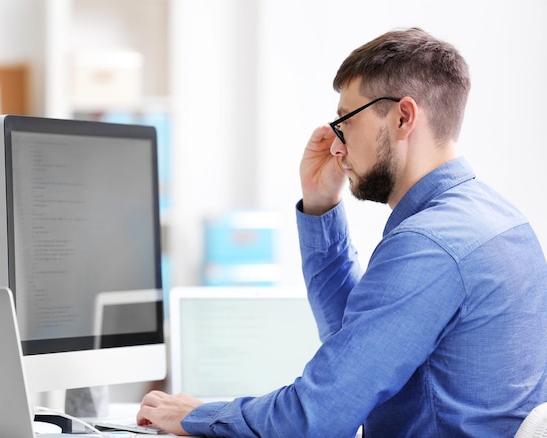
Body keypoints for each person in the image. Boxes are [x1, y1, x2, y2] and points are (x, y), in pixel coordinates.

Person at [136, 27, 547, 437]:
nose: (336, 146)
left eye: (345, 121)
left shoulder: (430, 245)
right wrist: (320, 204)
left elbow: (314, 418)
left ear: (403, 117)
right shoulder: (499, 219)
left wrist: (198, 415)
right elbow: (353, 351)